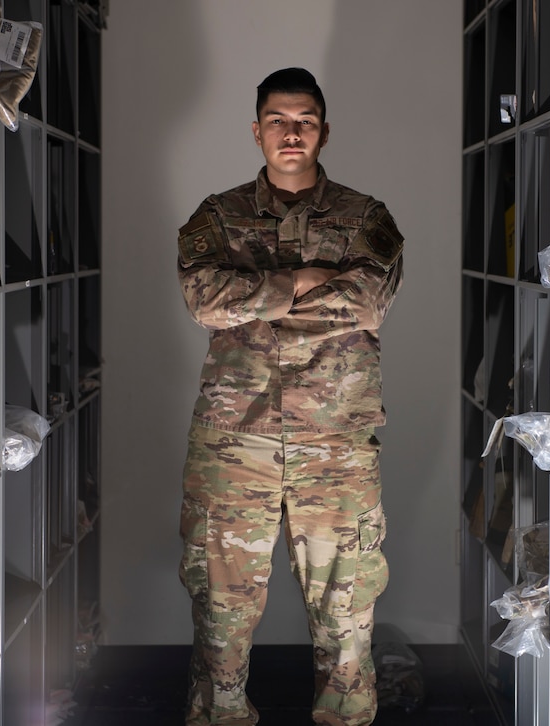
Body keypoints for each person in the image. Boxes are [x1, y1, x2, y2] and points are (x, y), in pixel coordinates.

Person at [176, 67, 404, 726]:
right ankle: (220, 716)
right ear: (257, 132)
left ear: (324, 131)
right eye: (277, 120)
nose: (291, 132)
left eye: (305, 120)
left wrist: (254, 298)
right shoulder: (216, 216)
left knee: (346, 607)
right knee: (220, 606)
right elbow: (203, 301)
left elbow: (366, 304)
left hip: (335, 443)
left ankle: (345, 717)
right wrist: (303, 281)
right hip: (234, 440)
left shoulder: (366, 217)